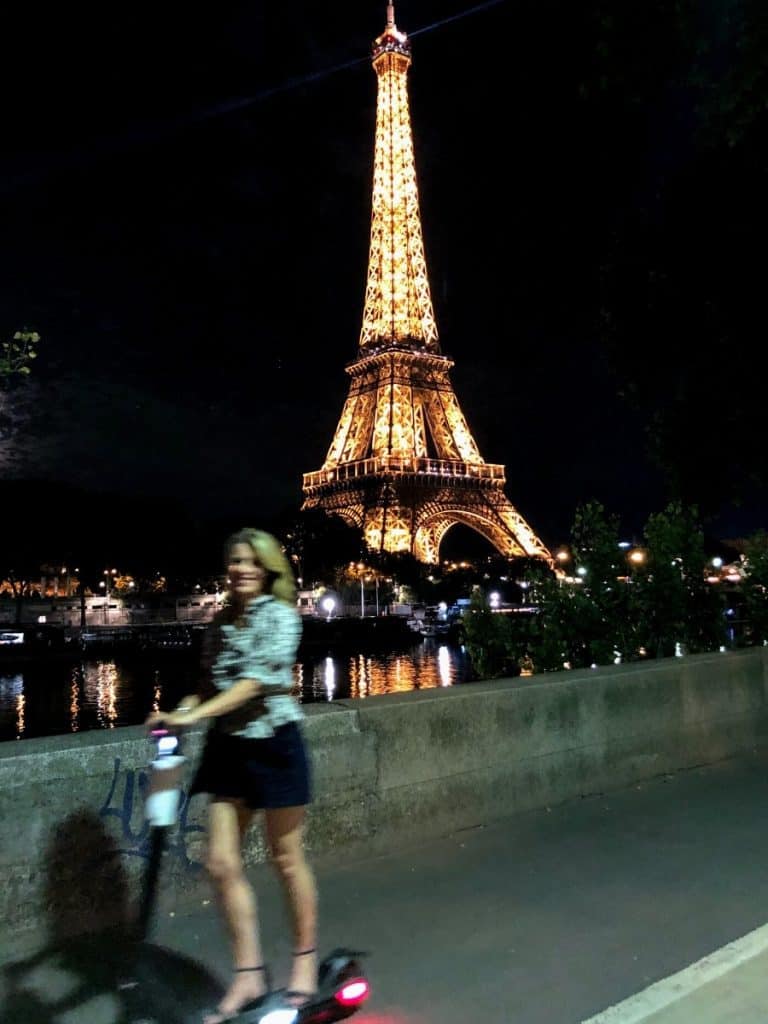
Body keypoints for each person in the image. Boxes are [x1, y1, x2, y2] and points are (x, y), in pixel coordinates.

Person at [145, 528, 317, 1024]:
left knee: (286, 858)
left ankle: (304, 962)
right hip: (228, 748)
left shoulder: (281, 616)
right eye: (234, 561)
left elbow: (254, 683)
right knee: (220, 862)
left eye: (250, 561)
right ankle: (249, 974)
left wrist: (195, 717)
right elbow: (207, 687)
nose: (240, 569)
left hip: (274, 742)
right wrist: (177, 712)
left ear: (267, 569)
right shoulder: (219, 623)